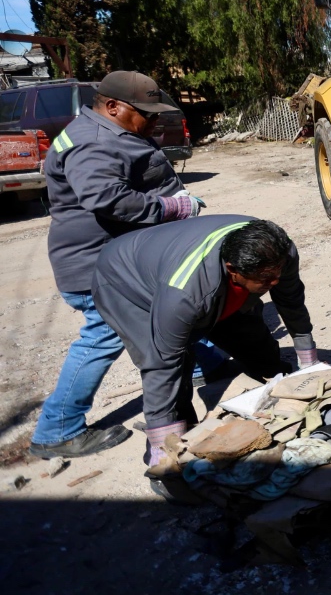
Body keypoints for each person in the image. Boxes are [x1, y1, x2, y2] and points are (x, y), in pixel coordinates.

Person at [29, 71, 209, 460]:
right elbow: (107, 199)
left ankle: (198, 367)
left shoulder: (106, 130)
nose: (154, 120)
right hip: (95, 263)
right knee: (104, 335)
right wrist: (169, 207)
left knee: (172, 307)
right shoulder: (92, 141)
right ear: (113, 107)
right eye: (146, 113)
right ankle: (56, 430)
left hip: (120, 257)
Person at [93, 216, 319, 467]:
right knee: (174, 366)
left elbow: (291, 300)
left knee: (250, 335)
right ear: (233, 270)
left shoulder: (279, 251)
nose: (274, 282)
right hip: (125, 282)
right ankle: (172, 449)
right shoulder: (184, 295)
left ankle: (272, 389)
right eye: (266, 279)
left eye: (277, 273)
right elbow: (162, 363)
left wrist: (309, 363)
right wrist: (163, 444)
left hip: (182, 265)